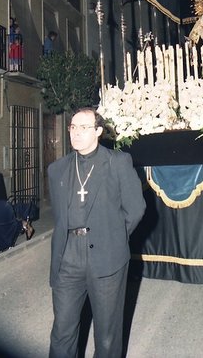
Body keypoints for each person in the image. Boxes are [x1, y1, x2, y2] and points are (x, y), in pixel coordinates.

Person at [48, 106, 146, 357]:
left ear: (99, 131)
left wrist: (113, 238)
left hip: (107, 256)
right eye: (72, 127)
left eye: (84, 127)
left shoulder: (117, 162)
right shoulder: (57, 169)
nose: (76, 133)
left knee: (107, 335)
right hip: (68, 257)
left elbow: (135, 209)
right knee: (62, 330)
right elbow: (59, 217)